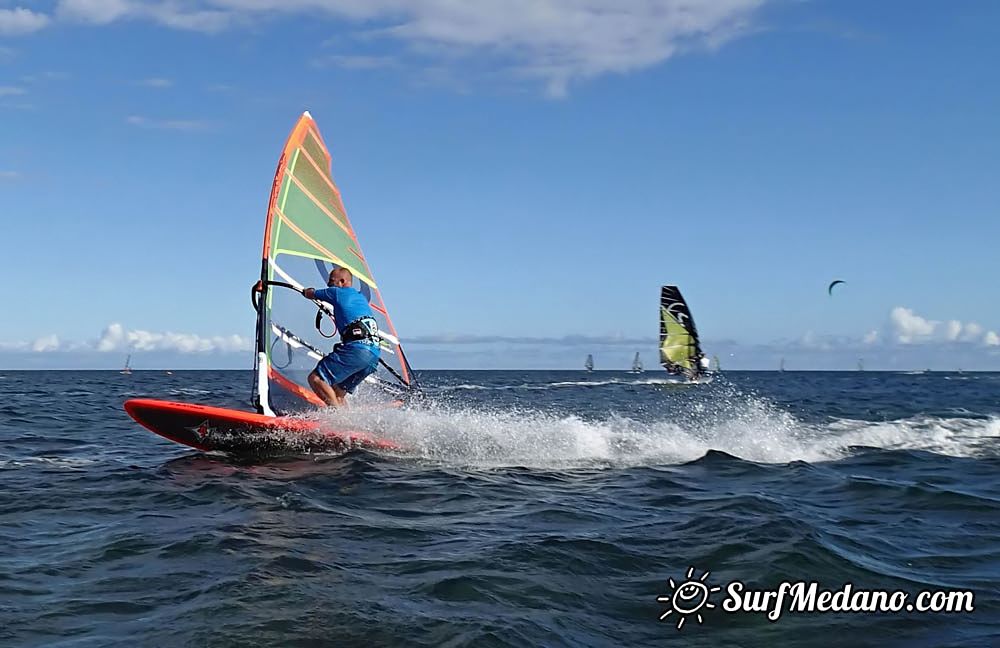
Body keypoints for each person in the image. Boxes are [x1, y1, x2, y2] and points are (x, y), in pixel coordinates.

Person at [302, 267, 381, 407]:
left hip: (357, 350)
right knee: (338, 392)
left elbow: (310, 293)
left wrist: (306, 291)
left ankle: (335, 418)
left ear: (343, 281)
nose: (328, 284)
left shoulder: (336, 293)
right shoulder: (361, 298)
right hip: (373, 355)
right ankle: (347, 424)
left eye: (331, 281)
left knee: (316, 378)